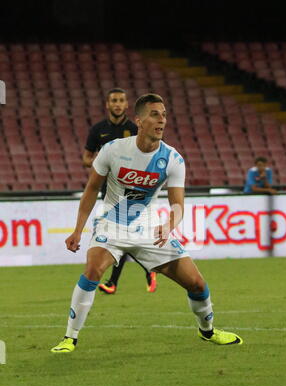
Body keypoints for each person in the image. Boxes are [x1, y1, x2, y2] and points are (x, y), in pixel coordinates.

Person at [51, 93, 243, 353]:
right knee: (93, 271)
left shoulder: (173, 159)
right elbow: (91, 190)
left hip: (150, 228)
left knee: (197, 284)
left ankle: (207, 332)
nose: (161, 120)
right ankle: (69, 338)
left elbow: (177, 204)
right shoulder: (113, 150)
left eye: (164, 114)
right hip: (112, 223)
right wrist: (77, 230)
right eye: (155, 114)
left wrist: (169, 224)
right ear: (139, 121)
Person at [83, 87, 157, 294]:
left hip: (131, 190)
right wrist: (103, 162)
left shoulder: (135, 129)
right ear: (108, 104)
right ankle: (146, 269)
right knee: (123, 237)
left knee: (119, 235)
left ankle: (114, 282)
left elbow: (147, 156)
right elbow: (86, 158)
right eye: (113, 100)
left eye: (121, 100)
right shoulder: (98, 130)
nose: (117, 104)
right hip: (108, 191)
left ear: (126, 105)